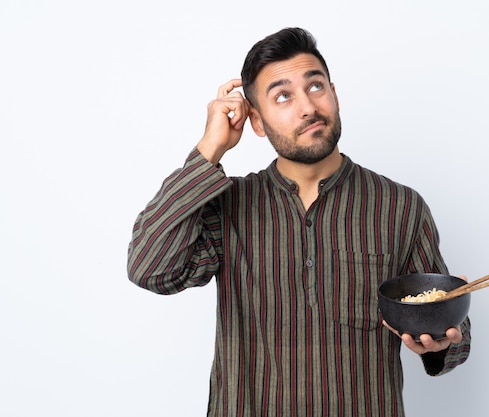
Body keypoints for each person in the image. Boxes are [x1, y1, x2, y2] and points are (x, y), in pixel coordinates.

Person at [128, 27, 471, 417]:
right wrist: (211, 147)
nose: (307, 107)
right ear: (256, 121)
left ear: (335, 95)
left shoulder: (399, 206)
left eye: (316, 87)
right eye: (283, 96)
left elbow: (451, 322)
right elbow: (149, 269)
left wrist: (443, 342)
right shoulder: (227, 206)